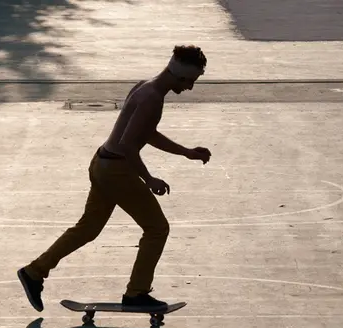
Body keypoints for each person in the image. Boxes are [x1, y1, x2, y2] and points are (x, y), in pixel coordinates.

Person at [18, 45, 212, 312]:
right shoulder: (153, 98)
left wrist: (186, 152)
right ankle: (137, 292)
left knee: (88, 228)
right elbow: (129, 144)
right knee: (157, 229)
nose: (190, 87)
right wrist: (149, 179)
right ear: (180, 75)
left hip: (102, 163)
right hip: (118, 171)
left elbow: (146, 133)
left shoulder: (145, 86)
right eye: (190, 80)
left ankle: (34, 272)